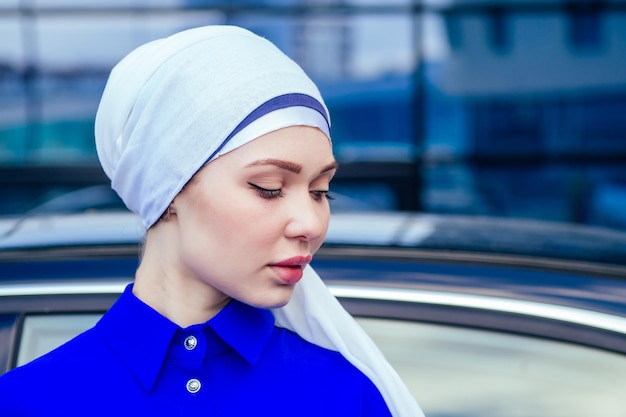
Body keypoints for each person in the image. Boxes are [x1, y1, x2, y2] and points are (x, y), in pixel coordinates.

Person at [0, 25, 424, 416]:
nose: (310, 223)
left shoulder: (345, 397)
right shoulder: (27, 401)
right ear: (168, 191)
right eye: (269, 187)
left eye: (320, 191)